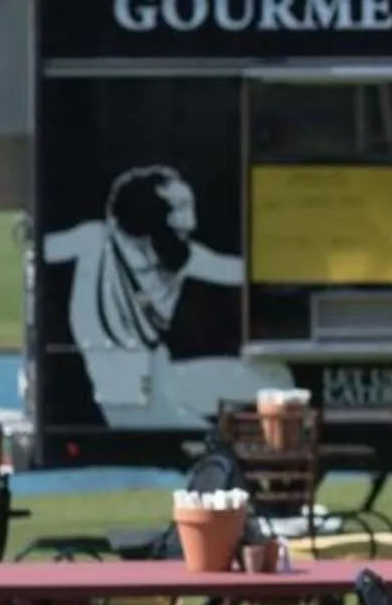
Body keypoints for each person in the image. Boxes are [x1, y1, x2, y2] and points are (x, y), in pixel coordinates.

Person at [41, 166, 279, 427]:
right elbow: (43, 250)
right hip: (124, 391)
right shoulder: (94, 241)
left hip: (159, 372)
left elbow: (240, 272)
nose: (190, 223)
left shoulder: (183, 257)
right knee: (209, 438)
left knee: (275, 379)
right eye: (179, 208)